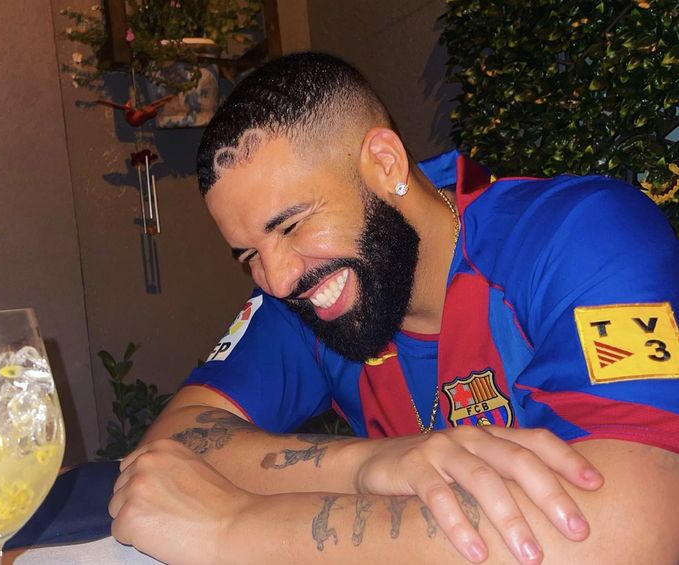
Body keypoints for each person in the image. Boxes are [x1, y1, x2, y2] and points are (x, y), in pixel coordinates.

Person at [109, 52, 679, 564]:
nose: (276, 280)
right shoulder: (306, 297)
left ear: (384, 163)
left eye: (292, 224)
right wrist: (368, 465)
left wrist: (234, 530)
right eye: (248, 255)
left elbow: (629, 532)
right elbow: (174, 445)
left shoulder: (586, 235)